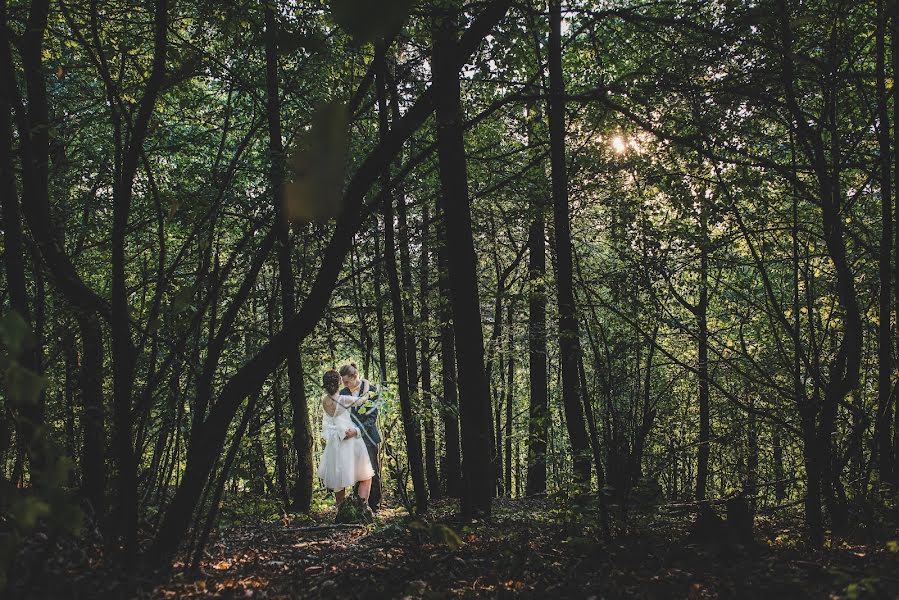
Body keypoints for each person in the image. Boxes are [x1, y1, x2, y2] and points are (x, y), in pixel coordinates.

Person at [317, 370, 374, 515]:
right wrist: (365, 382)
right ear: (340, 383)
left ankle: (341, 512)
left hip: (335, 442)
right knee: (365, 475)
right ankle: (360, 511)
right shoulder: (343, 399)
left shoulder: (324, 400)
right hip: (351, 440)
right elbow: (363, 399)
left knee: (338, 478)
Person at [339, 363, 382, 511]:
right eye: (343, 382)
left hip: (368, 437)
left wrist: (357, 431)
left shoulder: (372, 390)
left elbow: (372, 418)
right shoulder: (343, 393)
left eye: (346, 381)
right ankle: (359, 507)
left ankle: (374, 507)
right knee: (357, 472)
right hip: (351, 440)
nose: (344, 385)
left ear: (355, 376)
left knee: (371, 472)